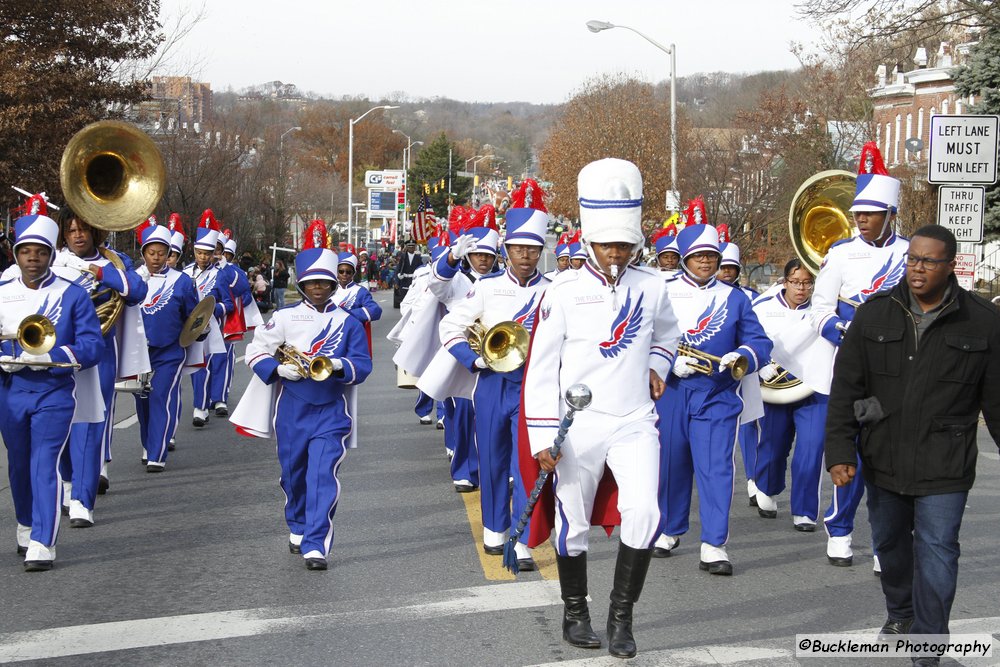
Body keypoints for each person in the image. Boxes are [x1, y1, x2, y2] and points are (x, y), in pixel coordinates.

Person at [522, 158, 680, 658]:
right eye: (608, 244)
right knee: (573, 521)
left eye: (625, 244)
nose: (616, 254)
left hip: (635, 420)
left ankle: (622, 617)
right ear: (589, 241)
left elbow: (668, 333)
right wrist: (544, 436)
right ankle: (575, 612)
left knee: (645, 512)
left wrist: (658, 362)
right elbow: (542, 368)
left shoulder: (653, 285)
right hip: (578, 426)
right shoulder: (562, 291)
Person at [825, 225, 1000, 666]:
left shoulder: (983, 321)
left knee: (939, 550)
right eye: (913, 259)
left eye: (928, 261)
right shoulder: (875, 314)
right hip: (883, 456)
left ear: (949, 265)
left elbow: (995, 398)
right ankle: (901, 611)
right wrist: (843, 449)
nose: (917, 268)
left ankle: (929, 643)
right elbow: (848, 385)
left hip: (947, 460)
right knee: (890, 545)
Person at [438, 179, 551, 569]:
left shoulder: (553, 291)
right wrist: (475, 360)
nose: (525, 255)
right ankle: (495, 528)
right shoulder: (486, 288)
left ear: (540, 252)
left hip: (533, 388)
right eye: (519, 248)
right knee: (491, 458)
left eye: (533, 249)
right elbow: (450, 327)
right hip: (491, 384)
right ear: (507, 249)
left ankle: (519, 538)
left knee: (527, 462)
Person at [239, 245, 372, 570]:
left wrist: (339, 364)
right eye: (311, 282)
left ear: (332, 285)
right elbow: (254, 352)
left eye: (324, 282)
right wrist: (277, 369)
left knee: (322, 475)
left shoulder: (348, 322)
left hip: (331, 411)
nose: (317, 288)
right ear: (301, 284)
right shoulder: (283, 317)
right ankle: (298, 523)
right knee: (293, 475)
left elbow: (363, 365)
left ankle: (317, 544)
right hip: (292, 411)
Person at [808, 142, 909, 569]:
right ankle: (841, 528)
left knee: (890, 459)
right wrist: (841, 330)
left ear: (890, 214)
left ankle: (885, 543)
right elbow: (818, 309)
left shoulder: (909, 253)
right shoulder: (841, 253)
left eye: (870, 214)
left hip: (898, 370)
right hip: (850, 369)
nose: (861, 220)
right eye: (858, 215)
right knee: (848, 453)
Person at [653, 215, 772, 575]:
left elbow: (760, 342)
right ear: (685, 257)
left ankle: (714, 544)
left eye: (711, 255)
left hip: (717, 393)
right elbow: (643, 336)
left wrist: (744, 356)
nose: (706, 261)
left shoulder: (735, 298)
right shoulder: (663, 290)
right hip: (672, 391)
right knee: (671, 464)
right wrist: (667, 362)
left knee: (715, 467)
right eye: (698, 256)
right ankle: (670, 529)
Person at [0, 211, 103, 570]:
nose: (33, 259)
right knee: (17, 463)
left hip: (54, 389)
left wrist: (52, 354)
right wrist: (6, 356)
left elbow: (93, 345)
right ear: (16, 254)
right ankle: (27, 523)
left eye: (40, 252)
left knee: (45, 461)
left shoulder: (71, 295)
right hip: (12, 388)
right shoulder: (2, 292)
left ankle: (44, 541)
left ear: (50, 255)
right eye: (25, 251)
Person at [51, 207, 148, 524]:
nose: (78, 235)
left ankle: (82, 496)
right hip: (58, 352)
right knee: (59, 423)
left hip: (101, 350)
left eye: (83, 229)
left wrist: (99, 272)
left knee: (92, 420)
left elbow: (138, 291)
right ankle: (68, 480)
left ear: (94, 231)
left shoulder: (115, 262)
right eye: (71, 230)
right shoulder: (53, 263)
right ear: (64, 234)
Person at [747, 259, 825, 530]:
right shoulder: (763, 308)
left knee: (812, 448)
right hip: (773, 389)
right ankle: (766, 486)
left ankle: (804, 511)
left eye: (807, 283)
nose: (801, 288)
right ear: (785, 281)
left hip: (813, 389)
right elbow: (748, 339)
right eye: (796, 282)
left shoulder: (822, 310)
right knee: (772, 444)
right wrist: (759, 365)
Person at [429, 212, 501, 492]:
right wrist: (451, 257)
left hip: (497, 356)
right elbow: (436, 285)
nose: (483, 260)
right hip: (462, 356)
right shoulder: (456, 279)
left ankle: (495, 469)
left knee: (494, 416)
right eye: (477, 254)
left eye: (488, 255)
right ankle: (464, 471)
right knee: (463, 414)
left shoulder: (501, 280)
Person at [134, 222, 200, 471]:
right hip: (138, 352)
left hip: (170, 351)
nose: (157, 257)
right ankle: (148, 444)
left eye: (162, 252)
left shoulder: (182, 281)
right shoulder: (133, 278)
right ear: (144, 253)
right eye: (151, 252)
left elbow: (193, 316)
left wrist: (200, 330)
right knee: (142, 401)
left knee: (160, 395)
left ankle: (156, 454)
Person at [182, 211, 234, 427]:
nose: (203, 257)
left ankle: (206, 404)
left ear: (214, 253)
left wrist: (214, 311)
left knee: (211, 364)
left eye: (207, 253)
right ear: (194, 251)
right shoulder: (185, 273)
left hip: (212, 327)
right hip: (190, 327)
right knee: (197, 367)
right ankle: (200, 405)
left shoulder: (220, 274)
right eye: (199, 253)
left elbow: (228, 304)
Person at [394, 239, 423, 308]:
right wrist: (397, 282)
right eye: (409, 246)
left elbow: (421, 269)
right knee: (404, 299)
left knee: (414, 299)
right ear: (407, 247)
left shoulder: (418, 258)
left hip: (414, 281)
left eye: (413, 246)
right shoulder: (403, 257)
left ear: (415, 247)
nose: (411, 248)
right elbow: (398, 269)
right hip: (404, 280)